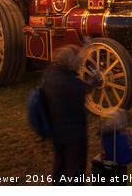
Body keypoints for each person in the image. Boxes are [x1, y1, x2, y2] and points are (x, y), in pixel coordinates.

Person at [40, 45, 95, 185]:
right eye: (76, 61)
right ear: (70, 62)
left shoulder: (49, 75)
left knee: (60, 164)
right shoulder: (71, 82)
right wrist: (94, 81)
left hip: (56, 130)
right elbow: (84, 89)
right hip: (75, 133)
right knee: (76, 169)